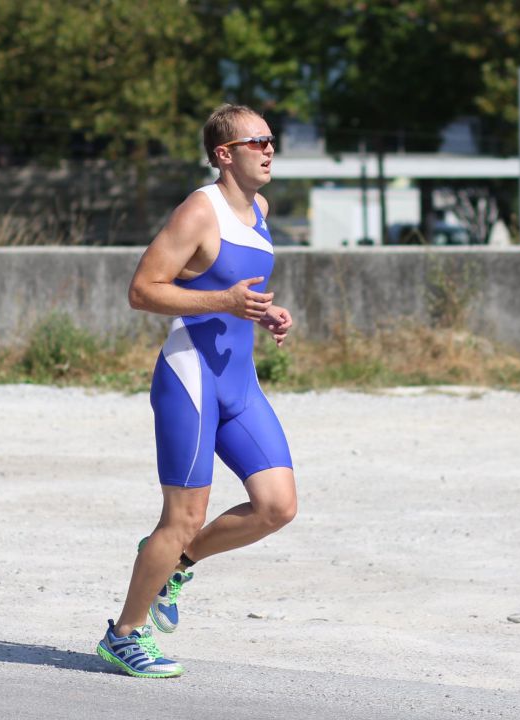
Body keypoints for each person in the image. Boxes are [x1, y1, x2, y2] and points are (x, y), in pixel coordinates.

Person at [95, 104, 297, 678]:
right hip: (191, 379)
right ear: (224, 154)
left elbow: (233, 289)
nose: (270, 149)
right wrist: (225, 302)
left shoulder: (260, 208)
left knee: (277, 507)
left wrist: (264, 312)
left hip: (239, 380)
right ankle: (123, 634)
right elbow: (142, 290)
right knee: (182, 516)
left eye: (271, 140)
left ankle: (178, 565)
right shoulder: (198, 210)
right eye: (257, 141)